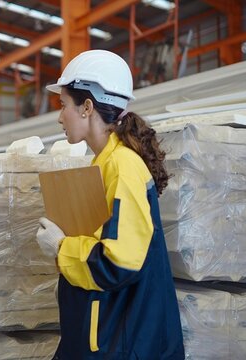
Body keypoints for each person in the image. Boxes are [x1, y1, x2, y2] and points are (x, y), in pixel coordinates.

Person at [36, 50, 184, 359]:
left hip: (121, 343)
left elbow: (119, 264)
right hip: (105, 334)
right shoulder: (105, 163)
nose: (60, 116)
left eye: (64, 105)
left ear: (87, 107)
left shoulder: (122, 167)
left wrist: (62, 247)